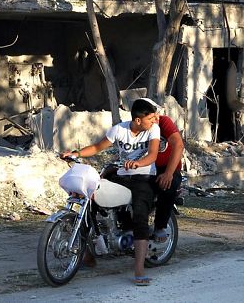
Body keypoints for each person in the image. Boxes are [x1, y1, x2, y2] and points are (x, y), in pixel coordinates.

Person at [61, 98, 160, 286]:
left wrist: (138, 163)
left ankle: (139, 271)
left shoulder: (153, 129)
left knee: (140, 215)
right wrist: (76, 153)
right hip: (122, 176)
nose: (154, 121)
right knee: (91, 197)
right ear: (138, 120)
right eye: (150, 118)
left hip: (144, 178)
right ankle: (88, 253)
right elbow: (98, 147)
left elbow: (153, 155)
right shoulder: (119, 129)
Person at [133, 98, 185, 241]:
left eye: (156, 114)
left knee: (167, 185)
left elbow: (178, 145)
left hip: (166, 168)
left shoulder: (164, 122)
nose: (155, 118)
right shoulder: (137, 127)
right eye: (150, 115)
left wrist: (168, 173)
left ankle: (160, 226)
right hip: (144, 168)